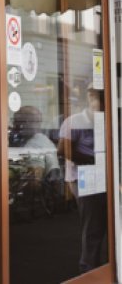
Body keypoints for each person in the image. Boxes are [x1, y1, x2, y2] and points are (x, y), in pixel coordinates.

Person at [58, 85, 107, 272]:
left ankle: (109, 267)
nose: (100, 103)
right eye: (96, 98)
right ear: (90, 98)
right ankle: (88, 270)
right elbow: (64, 150)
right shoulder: (75, 121)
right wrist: (96, 161)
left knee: (108, 223)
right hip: (83, 178)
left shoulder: (107, 119)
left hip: (105, 177)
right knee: (93, 225)